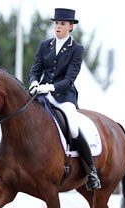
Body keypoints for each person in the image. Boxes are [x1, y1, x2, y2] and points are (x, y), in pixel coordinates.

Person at [28, 8, 100, 190]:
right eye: (56, 23)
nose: (58, 26)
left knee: (74, 128)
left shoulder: (76, 49)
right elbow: (36, 68)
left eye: (62, 24)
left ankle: (91, 171)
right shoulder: (45, 45)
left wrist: (51, 87)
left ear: (70, 27)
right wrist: (34, 82)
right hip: (41, 94)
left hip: (63, 96)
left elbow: (70, 78)